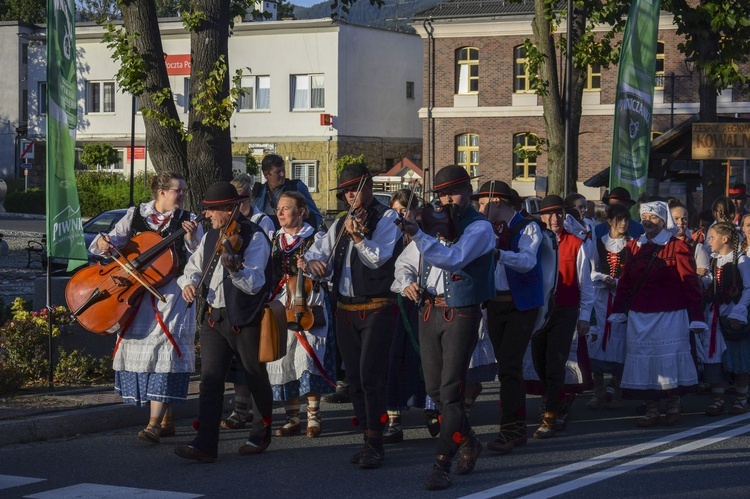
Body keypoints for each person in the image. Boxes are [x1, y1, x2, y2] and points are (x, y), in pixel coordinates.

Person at [395, 165, 495, 491]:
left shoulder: (480, 228)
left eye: (452, 192)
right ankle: (468, 440)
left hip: (461, 313)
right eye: (440, 194)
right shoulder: (434, 223)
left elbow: (455, 258)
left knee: (450, 392)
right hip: (428, 309)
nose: (445, 199)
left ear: (468, 191)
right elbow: (405, 262)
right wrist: (407, 281)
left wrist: (420, 234)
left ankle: (441, 464)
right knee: (436, 391)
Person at [89, 171, 202, 444]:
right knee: (146, 352)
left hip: (174, 294)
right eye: (179, 190)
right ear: (161, 193)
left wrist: (190, 238)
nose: (183, 195)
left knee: (165, 354)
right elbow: (109, 243)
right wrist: (104, 243)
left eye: (185, 190)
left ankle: (153, 424)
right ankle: (166, 418)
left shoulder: (189, 220)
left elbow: (197, 255)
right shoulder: (136, 215)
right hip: (137, 293)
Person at [302, 163, 401, 469]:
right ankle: (368, 436)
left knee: (371, 375)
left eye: (355, 189)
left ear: (369, 187)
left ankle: (376, 441)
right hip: (345, 308)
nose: (350, 196)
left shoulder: (388, 218)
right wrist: (312, 264)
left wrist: (359, 239)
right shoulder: (341, 222)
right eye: (345, 191)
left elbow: (378, 259)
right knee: (354, 378)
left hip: (378, 307)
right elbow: (316, 251)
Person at [174, 181, 273, 462]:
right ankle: (205, 443)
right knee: (210, 379)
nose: (206, 216)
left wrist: (235, 268)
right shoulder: (209, 236)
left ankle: (261, 432)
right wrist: (188, 283)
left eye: (211, 211)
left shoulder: (255, 236)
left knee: (255, 376)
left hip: (244, 317)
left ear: (229, 210)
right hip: (214, 316)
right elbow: (192, 268)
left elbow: (255, 283)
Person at [608, 201, 706, 427]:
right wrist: (618, 309)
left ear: (663, 221)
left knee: (668, 360)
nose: (647, 221)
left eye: (652, 218)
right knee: (645, 361)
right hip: (640, 315)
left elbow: (690, 282)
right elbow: (625, 282)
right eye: (644, 217)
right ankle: (651, 408)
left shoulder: (677, 247)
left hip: (670, 315)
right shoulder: (633, 247)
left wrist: (696, 315)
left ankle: (673, 403)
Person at [474, 181, 543, 455]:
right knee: (506, 366)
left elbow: (527, 261)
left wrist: (498, 253)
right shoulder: (486, 229)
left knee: (510, 366)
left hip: (521, 305)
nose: (479, 208)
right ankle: (516, 426)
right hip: (495, 304)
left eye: (483, 203)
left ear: (498, 202)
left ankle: (509, 429)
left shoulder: (527, 227)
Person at [267, 191, 336, 438]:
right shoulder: (273, 238)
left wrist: (310, 268)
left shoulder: (316, 238)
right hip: (280, 302)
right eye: (279, 208)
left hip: (308, 300)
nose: (281, 212)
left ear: (301, 212)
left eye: (286, 208)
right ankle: (292, 417)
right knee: (283, 359)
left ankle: (313, 417)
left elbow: (328, 273)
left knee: (306, 359)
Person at [531, 195, 594, 439]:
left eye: (558, 213)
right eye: (549, 214)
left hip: (565, 310)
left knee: (555, 361)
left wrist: (585, 316)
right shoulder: (534, 242)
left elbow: (585, 284)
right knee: (539, 361)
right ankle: (552, 401)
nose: (554, 218)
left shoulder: (577, 243)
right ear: (542, 217)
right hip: (538, 311)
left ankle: (551, 413)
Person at [383, 189, 428, 444]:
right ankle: (393, 419)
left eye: (405, 210)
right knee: (393, 359)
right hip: (390, 304)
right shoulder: (387, 236)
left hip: (416, 302)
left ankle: (431, 408)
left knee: (421, 356)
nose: (400, 215)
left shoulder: (422, 234)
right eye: (396, 211)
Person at [699, 222, 750, 416]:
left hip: (733, 316)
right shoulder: (714, 261)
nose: (709, 241)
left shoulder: (742, 261)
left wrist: (738, 311)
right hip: (715, 317)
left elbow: (749, 288)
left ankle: (741, 399)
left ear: (724, 239)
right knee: (716, 357)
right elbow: (712, 285)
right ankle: (718, 399)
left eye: (712, 237)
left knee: (738, 356)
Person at [587, 204, 631, 411]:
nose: (623, 223)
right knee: (597, 340)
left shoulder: (632, 245)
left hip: (621, 301)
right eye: (619, 219)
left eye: (626, 220)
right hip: (601, 300)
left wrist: (619, 283)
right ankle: (598, 391)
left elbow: (633, 276)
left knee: (619, 343)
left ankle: (617, 392)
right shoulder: (598, 243)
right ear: (610, 221)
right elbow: (591, 271)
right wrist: (604, 278)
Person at [253, 154, 323, 230]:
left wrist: (314, 236)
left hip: (295, 238)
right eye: (278, 172)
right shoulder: (258, 192)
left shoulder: (296, 187)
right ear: (266, 174)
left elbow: (316, 217)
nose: (282, 174)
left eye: (283, 170)